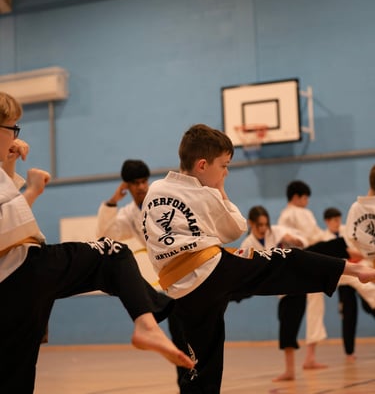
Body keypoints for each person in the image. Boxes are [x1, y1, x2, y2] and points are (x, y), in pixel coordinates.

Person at [141, 123, 375, 393]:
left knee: (203, 364)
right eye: (224, 166)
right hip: (211, 270)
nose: (226, 172)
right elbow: (236, 228)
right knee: (284, 260)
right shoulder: (204, 193)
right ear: (203, 165)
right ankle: (353, 269)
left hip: (180, 289)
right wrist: (220, 190)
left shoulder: (155, 189)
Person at [0, 92, 194, 394]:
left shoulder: (165, 202)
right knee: (113, 253)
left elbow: (7, 206)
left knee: (15, 374)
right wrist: (34, 190)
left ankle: (157, 315)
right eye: (13, 127)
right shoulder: (127, 210)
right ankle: (149, 321)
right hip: (23, 270)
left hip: (15, 284)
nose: (16, 136)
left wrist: (10, 163)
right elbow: (104, 234)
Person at [240, 205, 308, 381]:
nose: (263, 228)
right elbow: (243, 268)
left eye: (265, 224)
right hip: (275, 287)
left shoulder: (277, 231)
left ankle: (290, 371)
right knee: (285, 324)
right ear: (251, 224)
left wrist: (294, 239)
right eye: (259, 225)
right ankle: (290, 370)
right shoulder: (247, 244)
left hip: (295, 285)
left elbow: (303, 241)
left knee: (287, 327)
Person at [278, 180, 328, 371]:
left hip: (303, 265)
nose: (307, 201)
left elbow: (314, 235)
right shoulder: (294, 214)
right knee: (313, 307)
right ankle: (309, 356)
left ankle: (307, 358)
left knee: (308, 309)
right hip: (306, 264)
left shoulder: (293, 215)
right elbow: (308, 237)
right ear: (296, 197)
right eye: (305, 197)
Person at [323, 207, 375, 361]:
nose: (337, 223)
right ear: (327, 222)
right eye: (333, 221)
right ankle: (349, 352)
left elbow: (359, 246)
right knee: (348, 313)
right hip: (344, 278)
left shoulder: (347, 231)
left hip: (360, 271)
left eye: (339, 219)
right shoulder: (324, 238)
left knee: (369, 305)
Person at [96, 159, 150, 246]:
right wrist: (113, 201)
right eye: (136, 183)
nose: (141, 187)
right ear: (126, 185)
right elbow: (106, 236)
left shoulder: (161, 199)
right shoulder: (129, 214)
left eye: (144, 181)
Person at [346, 164, 375, 264]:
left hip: (363, 264)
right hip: (364, 264)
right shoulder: (357, 208)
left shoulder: (355, 207)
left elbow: (350, 240)